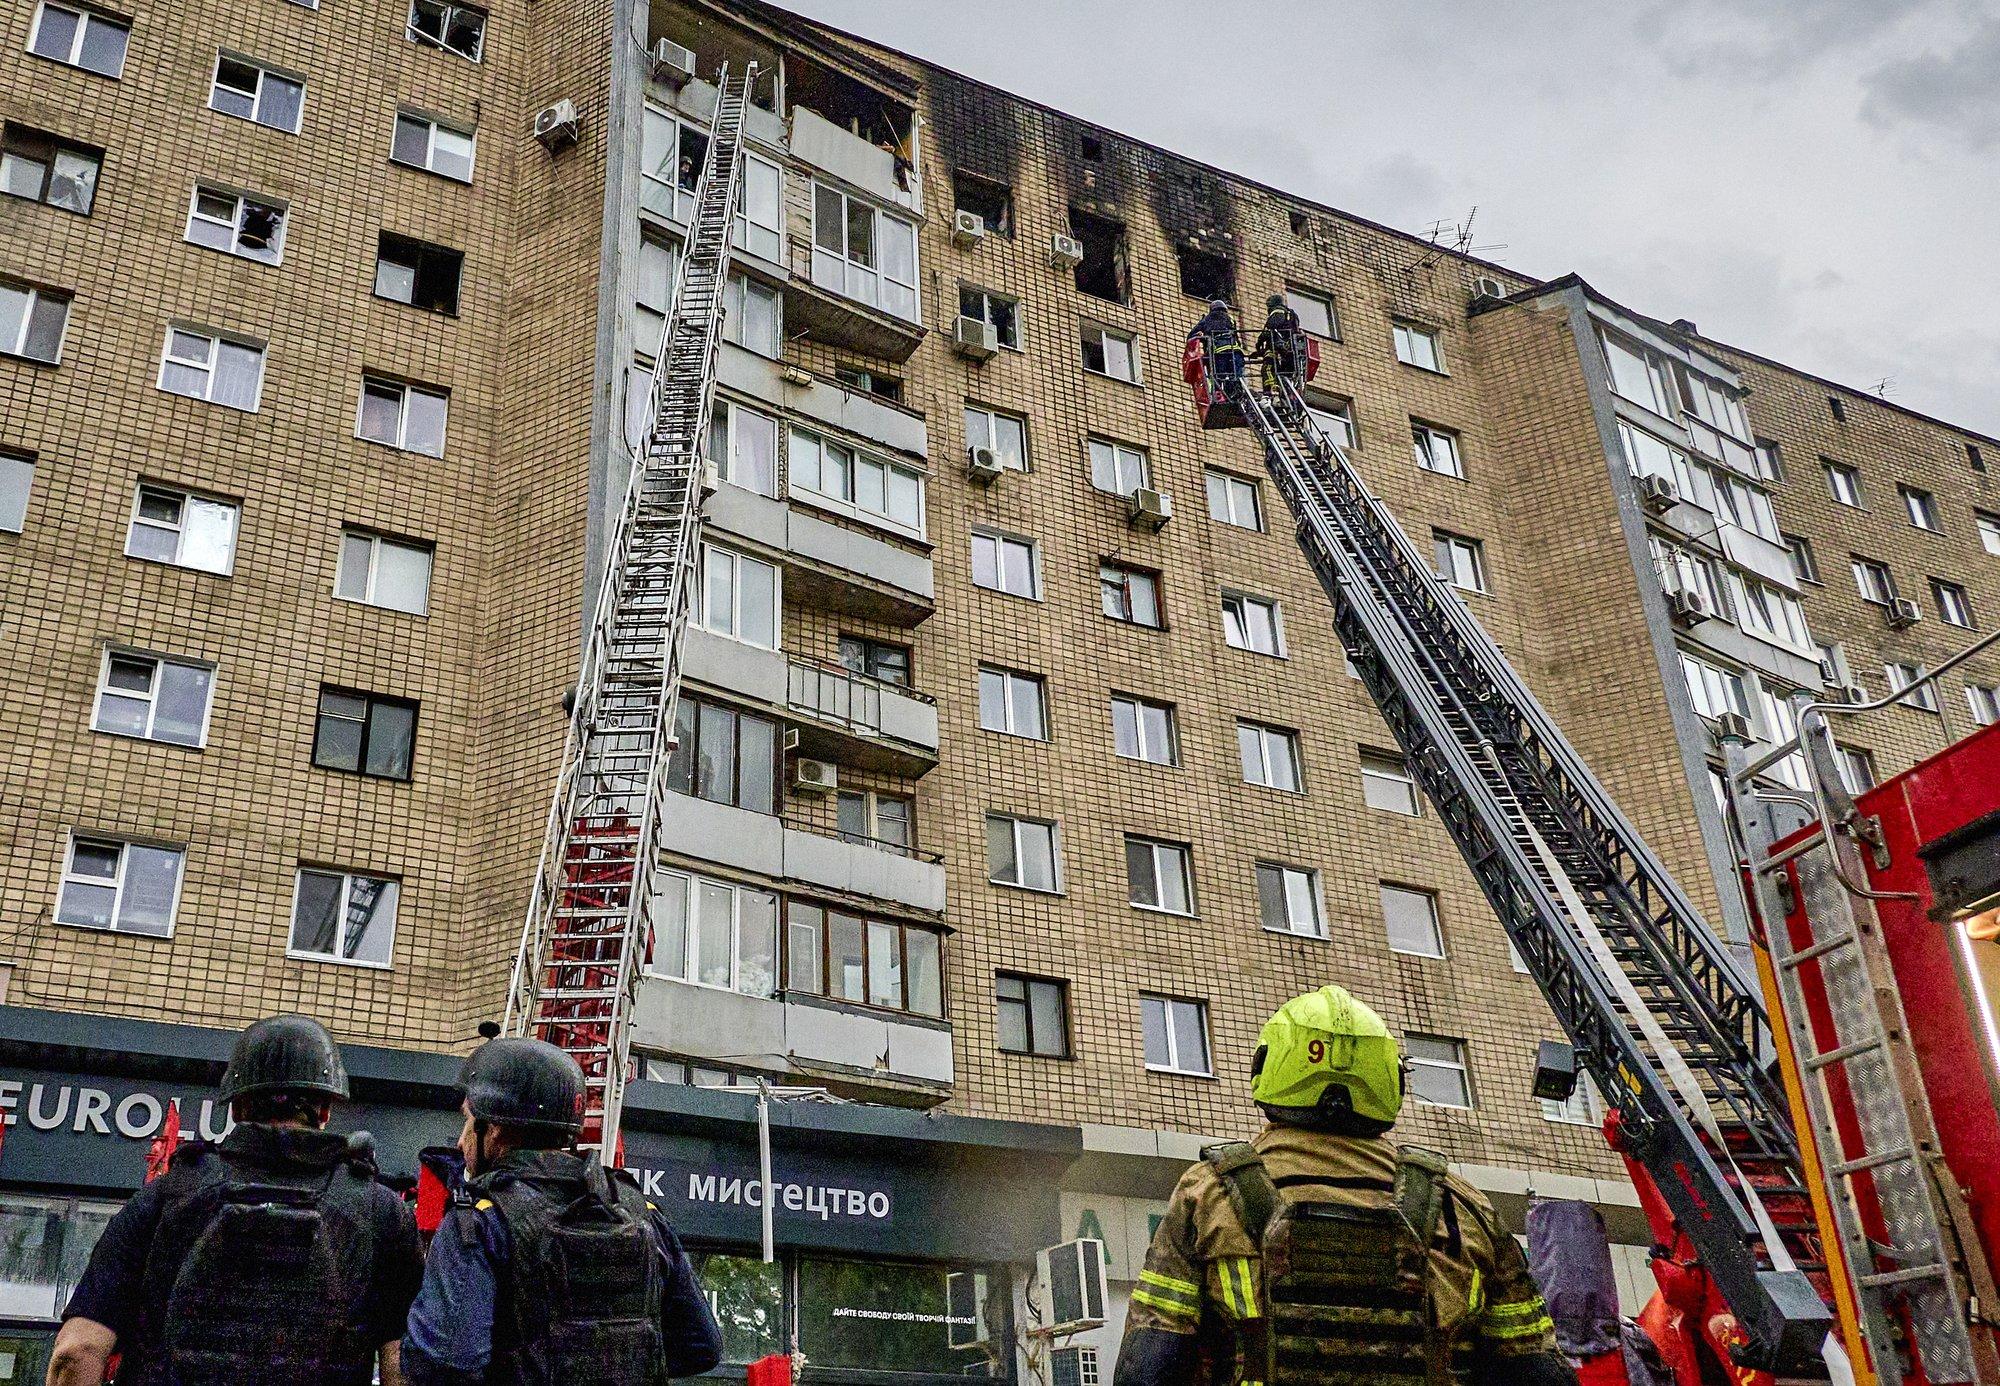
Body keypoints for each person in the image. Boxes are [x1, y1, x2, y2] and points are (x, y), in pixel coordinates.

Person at [1113, 986, 1575, 1386]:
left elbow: (1149, 1368)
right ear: (1389, 1079)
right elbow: (1534, 1371)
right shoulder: (1462, 1205)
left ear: (1270, 1067)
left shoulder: (1208, 1194)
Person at [49, 1015, 424, 1386]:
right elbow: (401, 1365)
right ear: (325, 1109)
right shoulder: (382, 1213)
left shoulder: (166, 1197)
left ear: (235, 1107)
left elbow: (77, 1352)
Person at [401, 1036, 723, 1386]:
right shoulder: (641, 1211)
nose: (461, 1142)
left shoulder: (479, 1220)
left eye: (467, 1122)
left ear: (491, 1129)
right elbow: (701, 1346)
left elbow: (445, 1363)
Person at [1255, 293, 1305, 398]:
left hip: (1278, 347)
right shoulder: (1291, 314)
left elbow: (1270, 328)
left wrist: (1259, 342)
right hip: (1289, 349)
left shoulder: (1278, 311)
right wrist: (1259, 352)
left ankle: (1270, 391)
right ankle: (1283, 392)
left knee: (1268, 368)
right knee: (1283, 373)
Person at [1189, 298, 1245, 392]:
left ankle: (1218, 394)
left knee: (1217, 377)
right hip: (1235, 352)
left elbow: (1190, 336)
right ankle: (1236, 392)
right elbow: (1236, 337)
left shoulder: (1207, 319)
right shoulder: (1231, 319)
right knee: (1236, 376)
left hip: (1218, 352)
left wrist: (1199, 336)